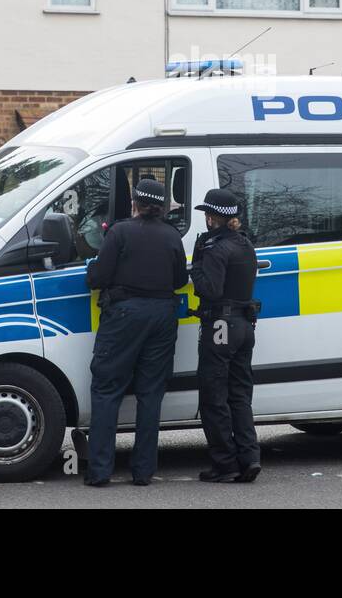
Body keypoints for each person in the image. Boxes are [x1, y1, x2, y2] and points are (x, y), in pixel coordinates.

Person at [80, 177, 187, 487]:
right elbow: (180, 279)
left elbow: (97, 278)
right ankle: (143, 472)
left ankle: (100, 472)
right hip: (163, 316)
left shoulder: (120, 232)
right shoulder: (171, 235)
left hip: (124, 315)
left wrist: (92, 270)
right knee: (151, 394)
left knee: (106, 389)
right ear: (162, 206)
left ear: (135, 204)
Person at [190, 188, 261, 483]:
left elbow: (211, 290)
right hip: (244, 326)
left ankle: (225, 464)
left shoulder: (215, 249)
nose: (206, 219)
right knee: (240, 396)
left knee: (214, 397)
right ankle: (250, 457)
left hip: (220, 327)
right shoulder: (245, 244)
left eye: (208, 214)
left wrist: (196, 267)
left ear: (214, 217)